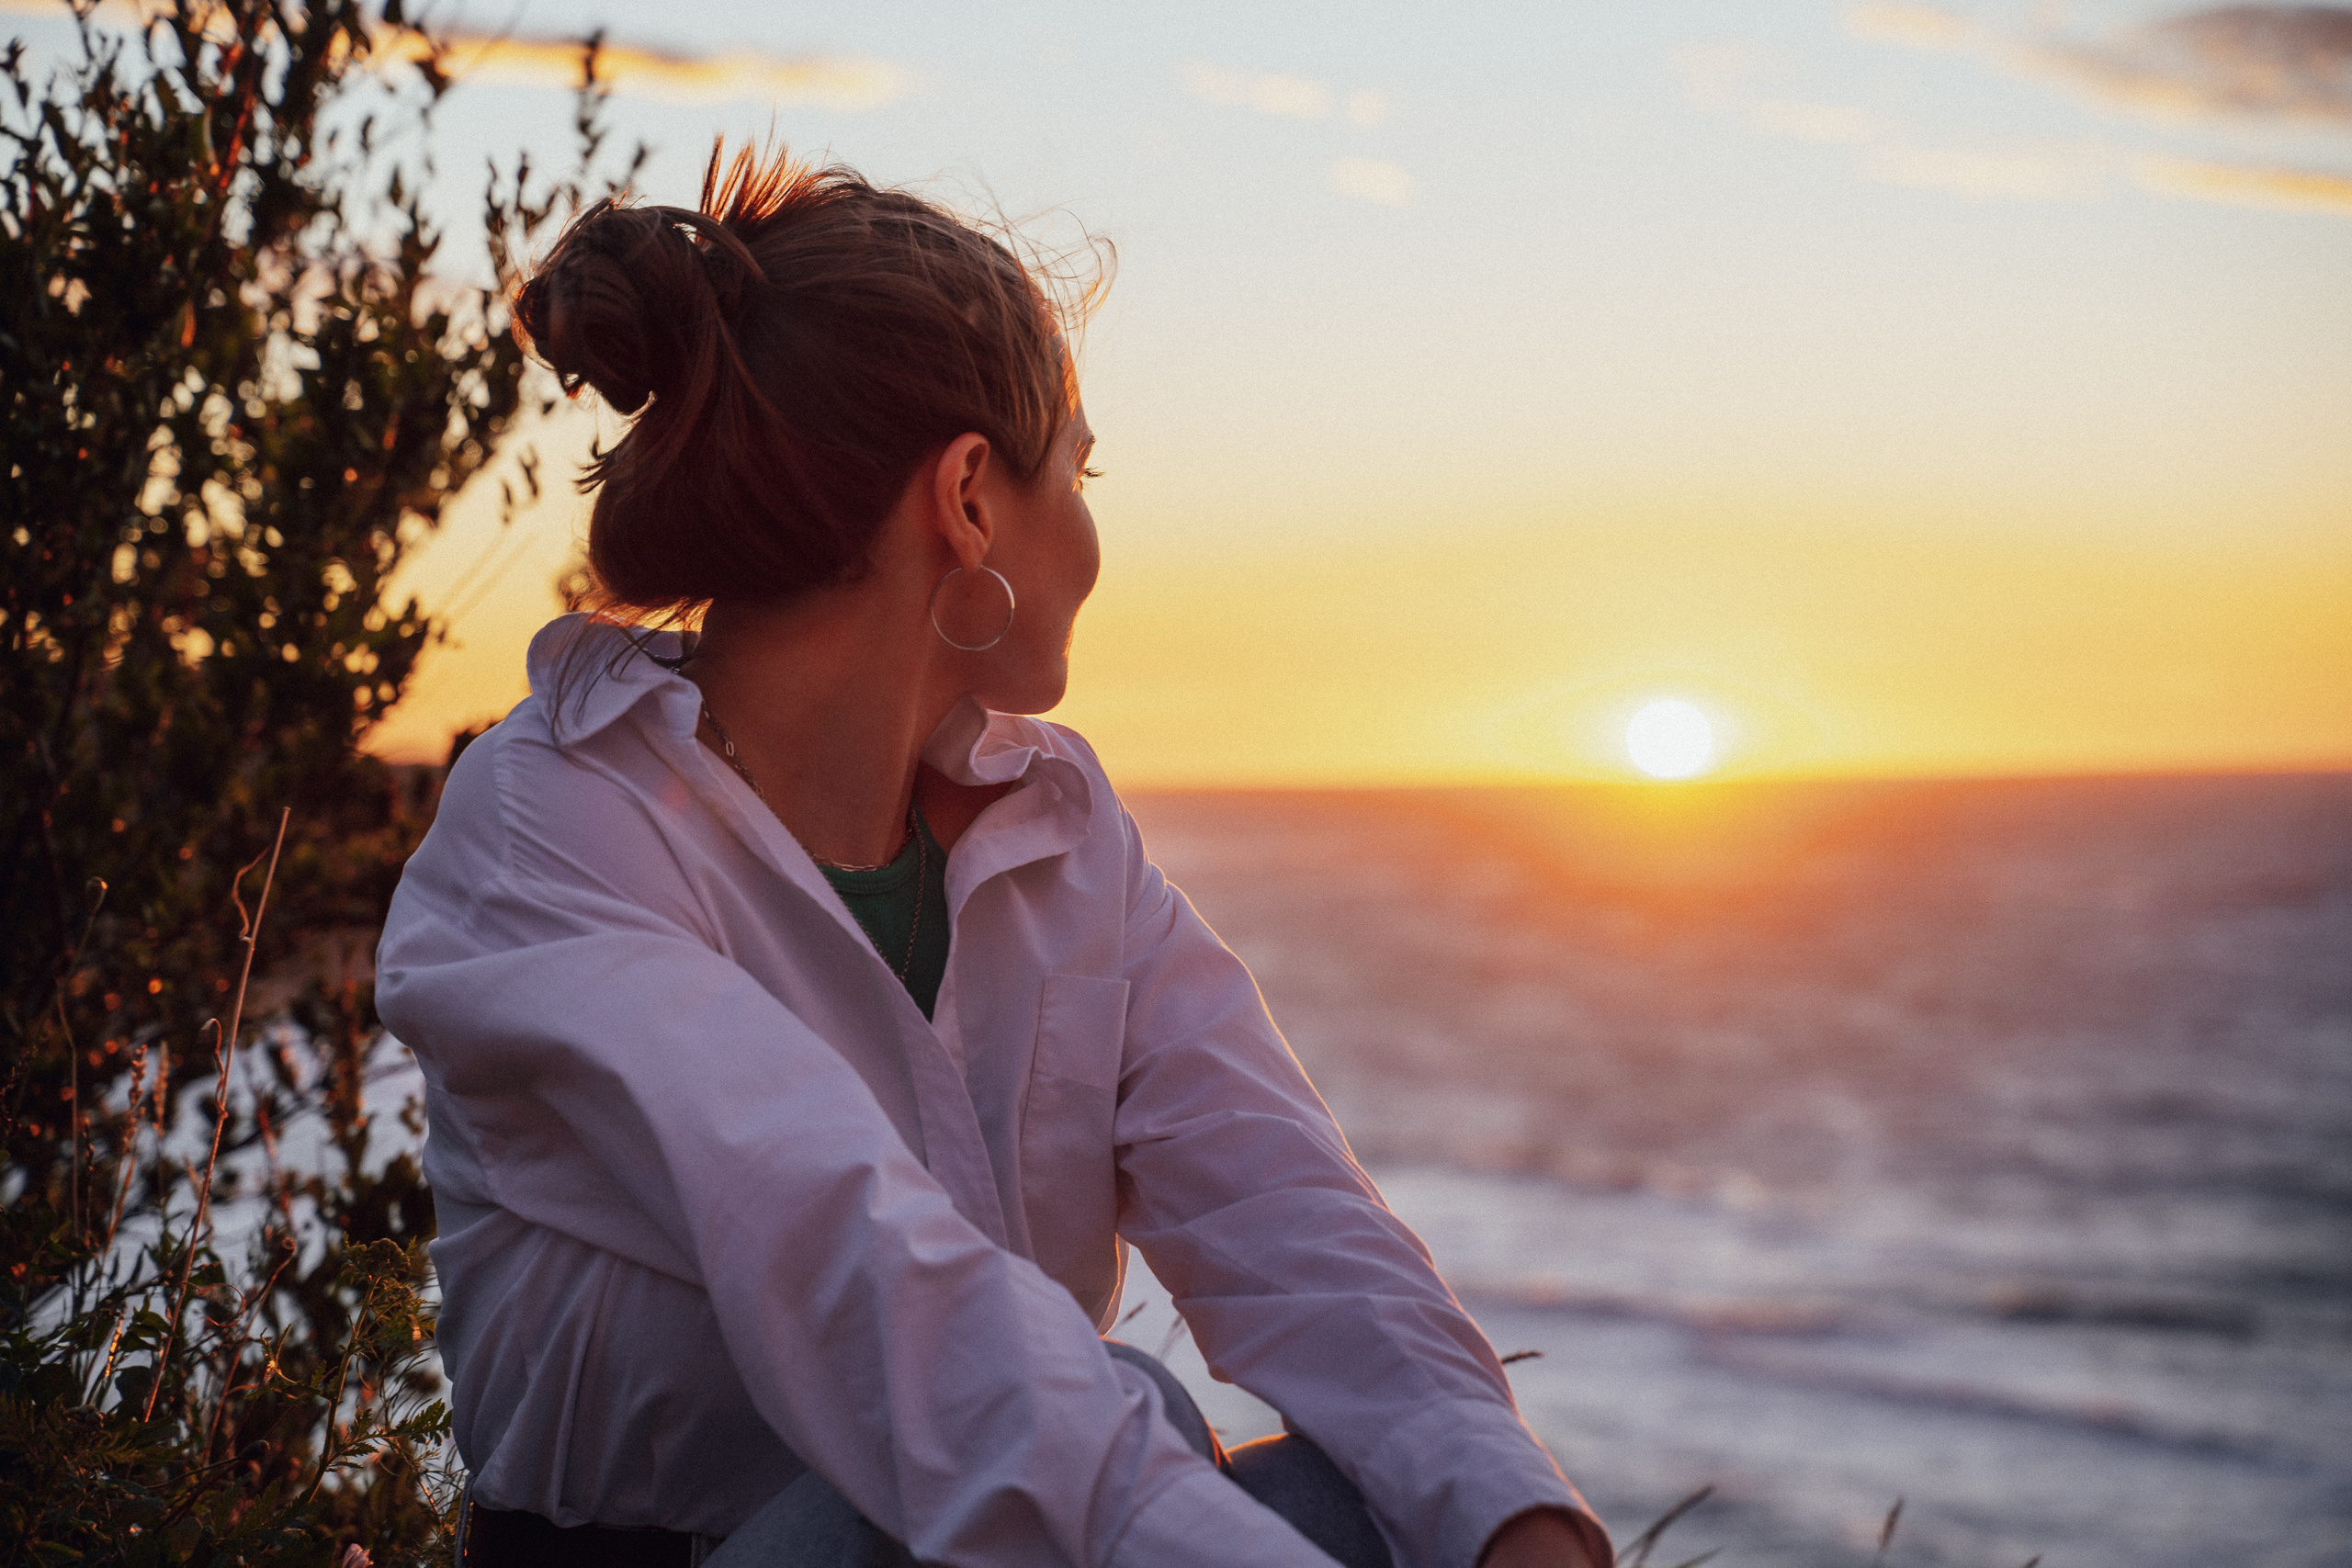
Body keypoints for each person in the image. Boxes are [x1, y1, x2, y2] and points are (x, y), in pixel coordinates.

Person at [376, 143, 1613, 1568]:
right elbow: (868, 1281)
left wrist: (1523, 1525)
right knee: (1135, 1416)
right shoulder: (558, 825)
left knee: (1375, 1499)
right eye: (1081, 474)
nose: (1091, 534)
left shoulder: (1060, 831)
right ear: (969, 497)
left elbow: (1291, 1217)